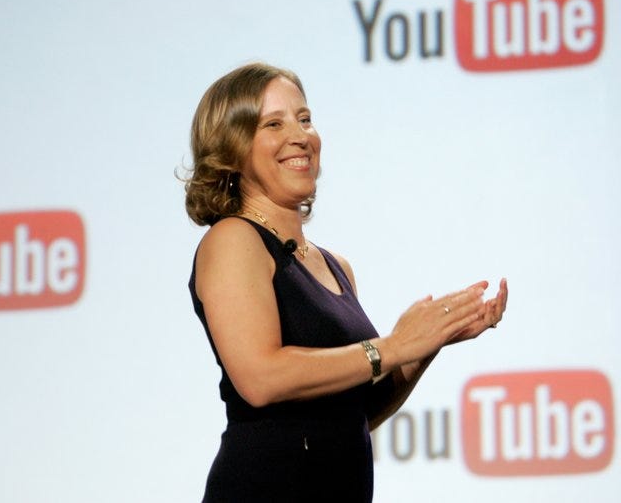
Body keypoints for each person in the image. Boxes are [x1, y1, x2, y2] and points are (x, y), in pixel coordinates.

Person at [184, 62, 508, 502]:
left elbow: (356, 413)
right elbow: (261, 378)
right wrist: (393, 346)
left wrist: (426, 342)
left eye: (305, 119)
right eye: (274, 124)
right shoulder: (233, 239)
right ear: (233, 148)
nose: (300, 136)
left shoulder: (335, 265)